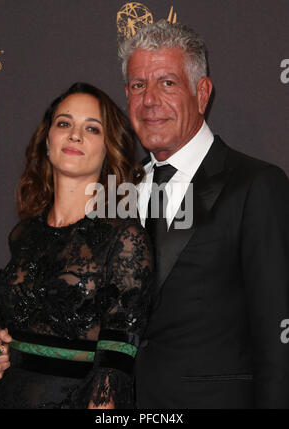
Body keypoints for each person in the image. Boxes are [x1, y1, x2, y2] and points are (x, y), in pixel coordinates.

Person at [118, 20, 289, 408]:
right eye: (137, 85)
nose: (149, 101)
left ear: (202, 92)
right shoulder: (119, 189)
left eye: (167, 83)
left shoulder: (255, 185)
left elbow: (277, 339)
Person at [0, 82, 153, 409]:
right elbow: (15, 336)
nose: (75, 135)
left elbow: (114, 370)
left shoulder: (124, 239)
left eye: (91, 128)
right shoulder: (24, 234)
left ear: (109, 148)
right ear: (47, 141)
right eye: (64, 123)